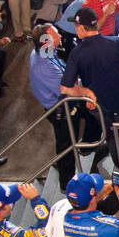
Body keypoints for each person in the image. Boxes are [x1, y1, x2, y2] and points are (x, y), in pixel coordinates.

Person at [60, 5, 119, 171]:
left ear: (81, 28)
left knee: (113, 139)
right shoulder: (115, 42)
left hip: (102, 107)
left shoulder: (77, 53)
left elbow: (65, 88)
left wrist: (86, 91)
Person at [28, 23, 79, 187]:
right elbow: (67, 89)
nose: (60, 37)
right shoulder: (44, 67)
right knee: (66, 144)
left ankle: (81, 149)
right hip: (59, 109)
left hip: (56, 103)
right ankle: (67, 181)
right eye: (55, 36)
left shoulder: (45, 53)